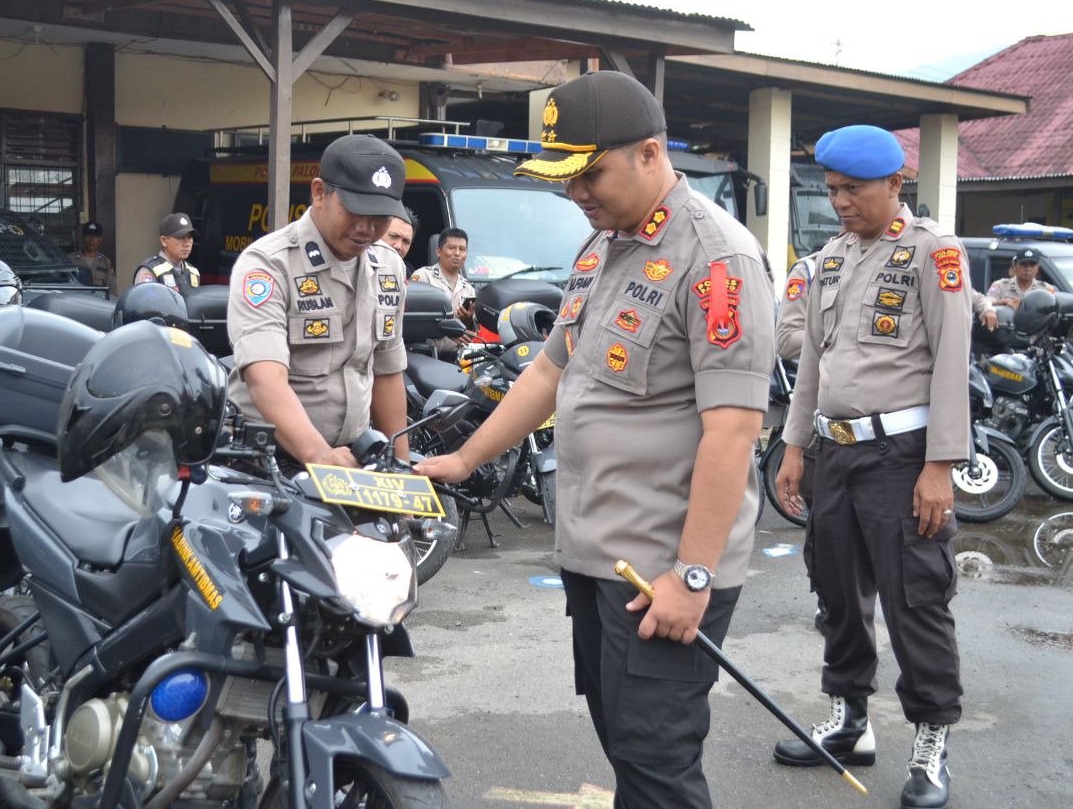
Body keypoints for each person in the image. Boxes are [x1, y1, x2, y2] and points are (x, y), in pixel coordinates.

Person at [416, 71, 774, 808]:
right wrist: (466, 457)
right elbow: (551, 368)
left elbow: (733, 429)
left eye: (590, 173)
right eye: (564, 178)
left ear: (649, 153)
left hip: (660, 569)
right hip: (597, 553)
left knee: (655, 759)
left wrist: (693, 577)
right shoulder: (605, 244)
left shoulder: (718, 259)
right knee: (625, 741)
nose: (576, 192)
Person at [773, 125, 970, 809]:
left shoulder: (932, 252)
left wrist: (940, 464)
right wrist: (795, 446)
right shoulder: (830, 258)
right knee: (835, 592)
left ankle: (930, 738)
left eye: (851, 190)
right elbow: (814, 363)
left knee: (915, 598)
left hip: (900, 456)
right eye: (831, 190)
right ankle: (850, 720)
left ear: (895, 185)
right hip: (834, 451)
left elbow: (952, 361)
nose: (840, 202)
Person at [225, 134, 410, 467]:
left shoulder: (388, 265)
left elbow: (387, 372)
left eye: (381, 217)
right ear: (319, 192)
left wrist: (402, 470)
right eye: (355, 210)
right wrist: (318, 455)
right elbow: (264, 377)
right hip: (268, 459)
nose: (367, 228)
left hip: (350, 454)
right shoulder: (268, 264)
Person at [410, 228, 476, 354]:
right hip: (426, 354)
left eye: (462, 249)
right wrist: (444, 330)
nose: (457, 253)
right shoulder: (423, 277)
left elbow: (471, 332)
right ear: (439, 252)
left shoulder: (468, 288)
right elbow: (413, 321)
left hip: (457, 357)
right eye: (451, 248)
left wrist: (467, 320)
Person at [133, 213, 200, 294]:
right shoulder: (150, 270)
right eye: (180, 237)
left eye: (190, 237)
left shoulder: (193, 272)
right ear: (164, 241)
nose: (187, 244)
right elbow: (144, 303)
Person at [987, 248, 1055, 308]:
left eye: (1032, 265)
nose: (1028, 269)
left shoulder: (1046, 289)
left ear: (1037, 268)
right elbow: (987, 301)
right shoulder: (1001, 286)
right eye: (1023, 264)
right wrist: (1004, 302)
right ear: (1014, 266)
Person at [72, 221, 117, 296]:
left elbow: (112, 288)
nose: (91, 240)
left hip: (98, 303)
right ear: (83, 238)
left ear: (100, 239)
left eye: (95, 236)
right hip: (78, 301)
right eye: (88, 236)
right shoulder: (71, 260)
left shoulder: (105, 262)